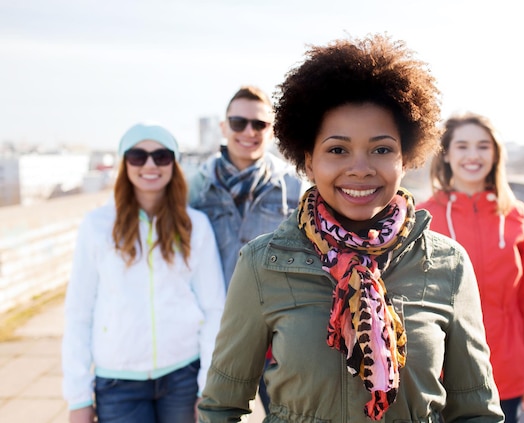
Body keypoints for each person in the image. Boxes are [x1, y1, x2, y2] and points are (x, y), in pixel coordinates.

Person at [198, 35, 504, 422]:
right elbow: (221, 407)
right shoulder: (263, 264)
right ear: (308, 161)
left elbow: (477, 411)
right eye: (337, 150)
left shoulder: (448, 264)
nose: (360, 168)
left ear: (405, 158)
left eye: (381, 149)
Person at [62, 122, 226, 423]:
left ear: (173, 165)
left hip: (183, 375)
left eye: (161, 156)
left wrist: (209, 387)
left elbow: (214, 307)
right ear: (124, 164)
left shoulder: (195, 225)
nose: (150, 164)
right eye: (138, 156)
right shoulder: (97, 226)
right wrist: (78, 397)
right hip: (117, 383)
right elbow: (78, 312)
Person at [416, 112, 524, 422]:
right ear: (446, 154)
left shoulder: (517, 215)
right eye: (462, 146)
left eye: (483, 146)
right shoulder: (423, 217)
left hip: (506, 373)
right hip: (439, 376)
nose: (473, 156)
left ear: (495, 154)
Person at [188, 85, 304, 414]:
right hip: (215, 337)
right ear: (224, 128)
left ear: (272, 131)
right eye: (238, 123)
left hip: (277, 339)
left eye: (259, 124)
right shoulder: (195, 188)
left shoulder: (294, 188)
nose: (249, 132)